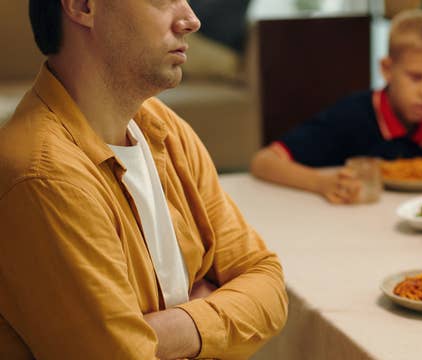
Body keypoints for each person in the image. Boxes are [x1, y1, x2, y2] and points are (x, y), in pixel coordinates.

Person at [0, 0, 287, 359]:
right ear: (83, 6)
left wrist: (170, 327)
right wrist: (211, 306)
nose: (191, 20)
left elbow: (267, 280)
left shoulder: (161, 127)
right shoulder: (44, 177)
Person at [250, 10, 422, 204]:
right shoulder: (353, 116)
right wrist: (321, 184)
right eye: (415, 77)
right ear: (387, 69)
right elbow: (264, 161)